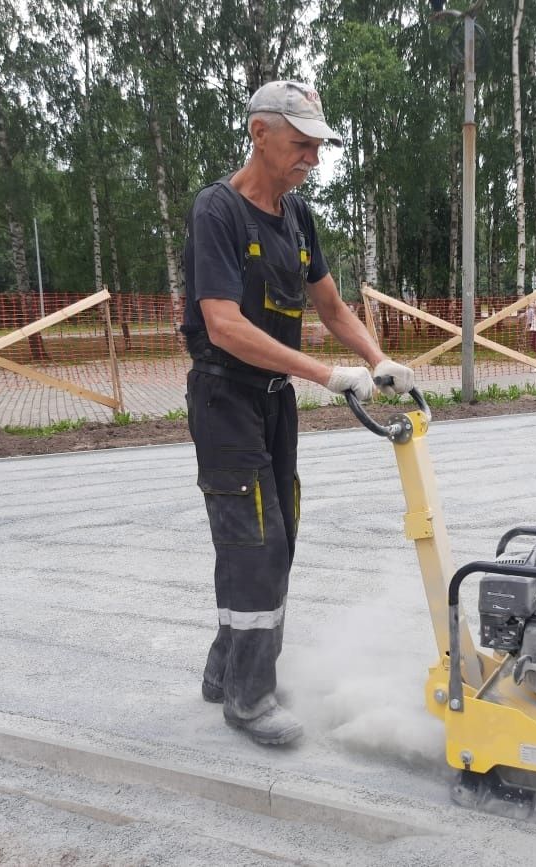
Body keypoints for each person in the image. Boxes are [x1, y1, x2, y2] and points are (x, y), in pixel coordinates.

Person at [180, 80, 415, 747]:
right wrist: (324, 373)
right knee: (255, 540)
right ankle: (249, 701)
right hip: (226, 396)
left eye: (319, 146)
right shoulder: (217, 212)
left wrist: (377, 360)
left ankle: (225, 669)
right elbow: (222, 325)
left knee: (276, 533)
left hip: (273, 401)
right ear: (260, 133)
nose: (314, 156)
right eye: (302, 143)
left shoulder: (297, 216)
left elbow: (333, 308)